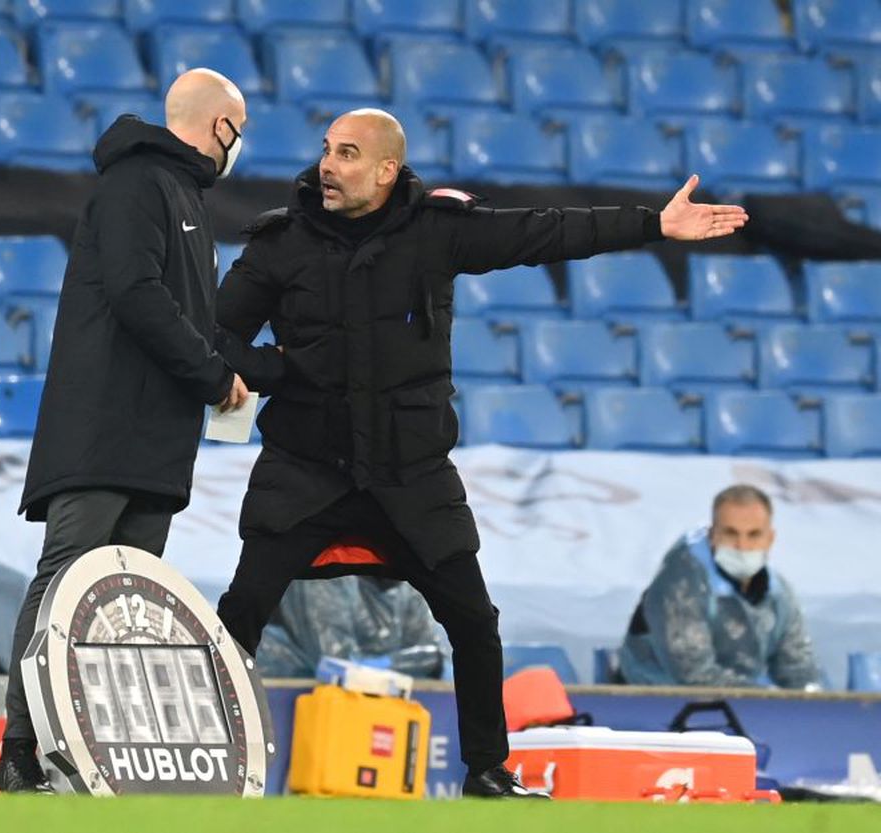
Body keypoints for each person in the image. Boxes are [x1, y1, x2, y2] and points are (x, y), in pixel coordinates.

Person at [213, 108, 748, 799]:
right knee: (240, 612)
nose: (327, 165)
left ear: (386, 170)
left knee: (474, 620)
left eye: (347, 153)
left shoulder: (436, 231)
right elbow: (217, 341)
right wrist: (280, 370)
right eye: (326, 150)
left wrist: (653, 223)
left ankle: (486, 771)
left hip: (412, 475)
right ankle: (209, 758)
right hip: (305, 469)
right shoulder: (280, 244)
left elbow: (545, 232)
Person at [0, 68, 253, 793]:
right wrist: (210, 374)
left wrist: (236, 367)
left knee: (125, 602)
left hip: (155, 438)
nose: (240, 146)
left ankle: (96, 753)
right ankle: (20, 748)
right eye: (240, 130)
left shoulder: (183, 195)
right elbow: (138, 296)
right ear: (220, 126)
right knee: (64, 583)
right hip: (102, 427)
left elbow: (189, 320)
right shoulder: (139, 183)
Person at [619, 484, 821, 689]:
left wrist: (811, 699)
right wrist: (768, 696)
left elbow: (798, 668)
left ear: (770, 539)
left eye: (754, 534)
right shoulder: (680, 582)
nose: (742, 546)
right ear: (713, 535)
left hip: (745, 703)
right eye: (731, 533)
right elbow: (693, 675)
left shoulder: (779, 594)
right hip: (654, 702)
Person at [256, 573, 447, 679]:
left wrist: (386, 665)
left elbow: (434, 658)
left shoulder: (408, 589)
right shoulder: (319, 574)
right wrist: (403, 664)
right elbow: (335, 666)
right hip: (280, 699)